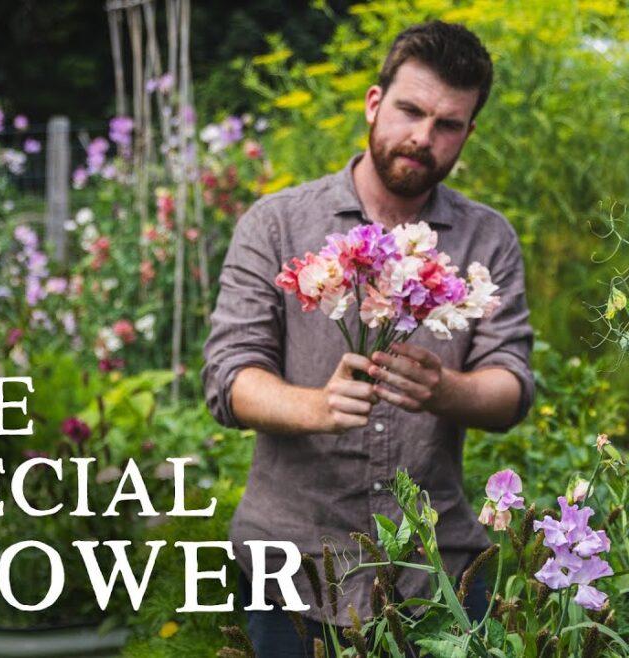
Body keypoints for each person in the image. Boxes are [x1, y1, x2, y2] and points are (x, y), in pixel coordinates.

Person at [203, 20, 534, 657]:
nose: (422, 138)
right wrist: (315, 408)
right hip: (292, 563)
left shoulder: (485, 241)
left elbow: (511, 387)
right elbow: (228, 377)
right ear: (374, 103)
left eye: (448, 125)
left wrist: (446, 389)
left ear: (468, 132)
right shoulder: (276, 224)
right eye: (410, 111)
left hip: (435, 570)